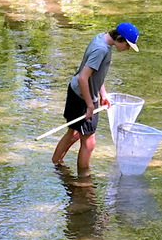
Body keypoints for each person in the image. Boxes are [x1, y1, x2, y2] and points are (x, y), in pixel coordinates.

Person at [52, 22, 138, 173]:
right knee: (89, 142)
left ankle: (56, 163)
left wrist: (102, 93)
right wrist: (90, 105)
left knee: (73, 133)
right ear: (120, 39)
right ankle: (84, 180)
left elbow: (95, 74)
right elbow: (83, 78)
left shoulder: (102, 38)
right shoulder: (101, 49)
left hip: (76, 92)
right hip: (83, 96)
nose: (127, 49)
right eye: (128, 45)